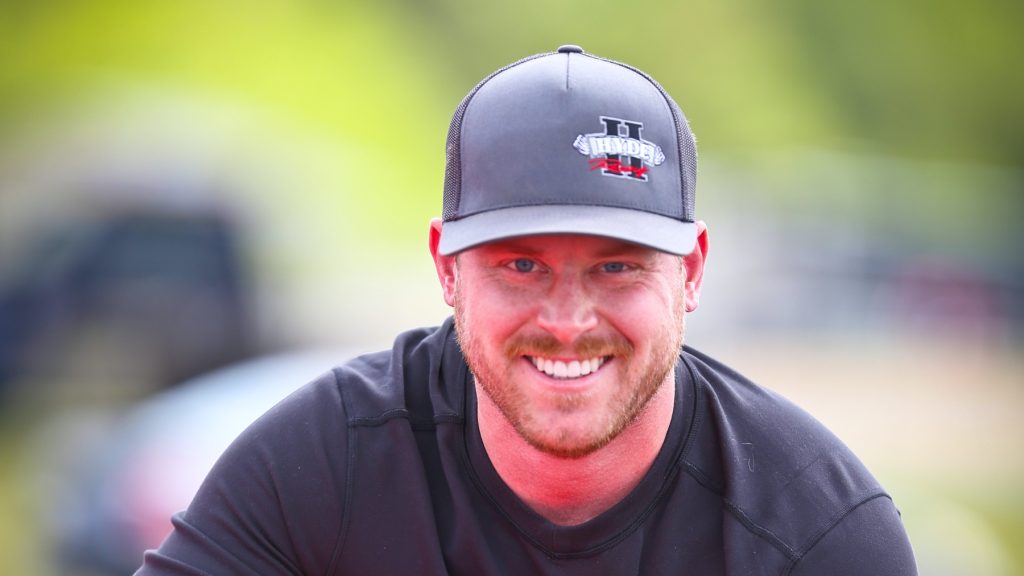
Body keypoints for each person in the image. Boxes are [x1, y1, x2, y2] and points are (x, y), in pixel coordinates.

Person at [136, 45, 918, 575]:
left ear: (691, 272)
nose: (568, 321)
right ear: (446, 268)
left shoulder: (814, 533)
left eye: (617, 266)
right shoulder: (321, 467)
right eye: (520, 265)